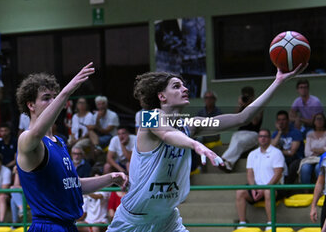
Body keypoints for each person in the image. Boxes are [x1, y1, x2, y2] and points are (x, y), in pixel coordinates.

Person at [106, 64, 307, 232]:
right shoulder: (148, 118)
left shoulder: (191, 125)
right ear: (162, 96)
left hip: (167, 219)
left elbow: (241, 117)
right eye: (176, 86)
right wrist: (195, 144)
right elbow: (166, 134)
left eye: (184, 85)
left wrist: (277, 82)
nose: (184, 89)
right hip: (133, 220)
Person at [15, 62, 128, 232]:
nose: (53, 102)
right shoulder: (27, 139)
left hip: (68, 226)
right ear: (31, 105)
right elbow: (37, 133)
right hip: (48, 227)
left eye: (55, 97)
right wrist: (67, 91)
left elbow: (74, 184)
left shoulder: (59, 141)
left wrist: (110, 177)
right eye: (46, 98)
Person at [236, 129, 285, 231]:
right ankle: (242, 223)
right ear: (258, 139)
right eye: (260, 136)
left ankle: (270, 223)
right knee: (240, 192)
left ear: (269, 138)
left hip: (274, 187)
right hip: (256, 188)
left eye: (265, 136)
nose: (262, 138)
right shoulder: (252, 154)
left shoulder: (276, 153)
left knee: (267, 192)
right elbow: (249, 173)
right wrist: (253, 188)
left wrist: (264, 189)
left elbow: (278, 174)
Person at [220, 86, 263, 172]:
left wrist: (249, 106)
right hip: (240, 133)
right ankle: (228, 165)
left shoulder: (258, 106)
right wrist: (240, 105)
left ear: (253, 96)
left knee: (239, 142)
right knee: (236, 139)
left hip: (253, 134)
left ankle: (223, 160)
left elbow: (255, 122)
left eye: (248, 96)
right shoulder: (242, 105)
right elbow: (234, 119)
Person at [299, 113, 326, 184]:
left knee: (318, 167)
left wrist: (314, 149)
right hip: (311, 159)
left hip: (324, 158)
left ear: (324, 121)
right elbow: (307, 152)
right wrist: (322, 150)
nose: (319, 121)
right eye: (317, 119)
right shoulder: (309, 134)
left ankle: (322, 190)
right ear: (314, 121)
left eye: (321, 119)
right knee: (305, 168)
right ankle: (306, 192)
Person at [271, 110, 304, 184]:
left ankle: (286, 188)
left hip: (295, 159)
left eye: (283, 119)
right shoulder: (276, 133)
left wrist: (279, 151)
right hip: (281, 158)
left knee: (292, 165)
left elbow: (292, 152)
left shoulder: (295, 132)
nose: (281, 122)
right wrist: (279, 132)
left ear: (288, 120)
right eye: (279, 120)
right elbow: (271, 148)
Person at [0, 153, 11, 223]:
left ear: (1, 163)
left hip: (7, 196)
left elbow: (4, 190)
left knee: (2, 197)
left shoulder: (6, 171)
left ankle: (1, 221)